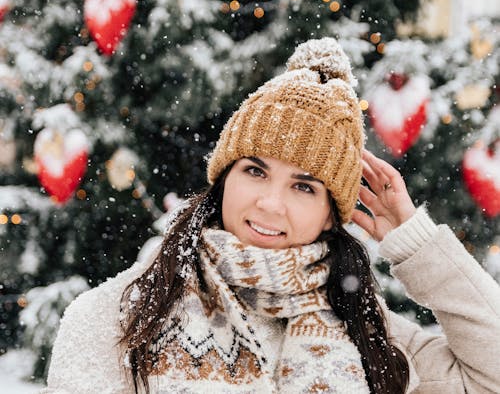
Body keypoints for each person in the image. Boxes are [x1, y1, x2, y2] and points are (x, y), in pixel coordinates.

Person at [42, 38, 500, 394]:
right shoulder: (121, 319)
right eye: (255, 171)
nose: (270, 204)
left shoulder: (374, 341)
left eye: (303, 186)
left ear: (329, 216)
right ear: (224, 179)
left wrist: (416, 243)